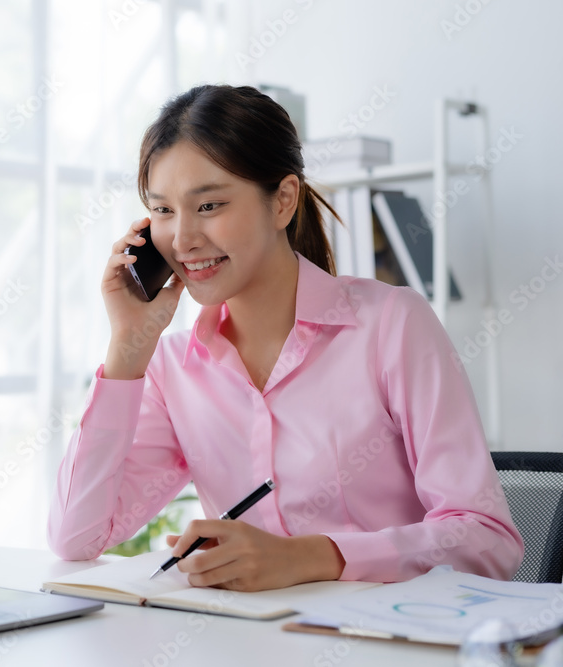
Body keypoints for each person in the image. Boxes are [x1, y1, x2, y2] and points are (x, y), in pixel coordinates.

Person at [47, 84, 523, 592]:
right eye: (163, 211)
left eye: (209, 206)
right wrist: (127, 348)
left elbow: (487, 541)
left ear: (283, 202)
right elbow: (77, 538)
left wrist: (314, 557)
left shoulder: (392, 325)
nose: (182, 240)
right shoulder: (172, 369)